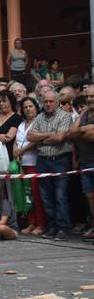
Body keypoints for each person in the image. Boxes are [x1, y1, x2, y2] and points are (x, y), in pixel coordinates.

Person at [27, 90, 73, 241]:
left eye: (51, 101)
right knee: (46, 197)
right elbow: (30, 136)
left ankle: (63, 228)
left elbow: (60, 137)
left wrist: (41, 137)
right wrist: (49, 135)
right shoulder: (39, 117)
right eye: (45, 101)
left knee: (60, 196)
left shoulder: (65, 116)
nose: (48, 104)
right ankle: (52, 226)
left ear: (57, 101)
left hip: (60, 159)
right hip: (43, 160)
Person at [14, 97, 45, 235]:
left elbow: (36, 141)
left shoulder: (39, 122)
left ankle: (41, 224)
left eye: (30, 106)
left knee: (36, 195)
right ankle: (31, 222)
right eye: (25, 107)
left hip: (34, 163)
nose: (28, 109)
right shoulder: (21, 124)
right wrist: (15, 150)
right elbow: (16, 140)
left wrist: (22, 150)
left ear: (36, 107)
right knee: (27, 195)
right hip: (22, 164)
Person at [67, 85, 94, 240]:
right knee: (89, 197)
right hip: (85, 162)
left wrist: (80, 132)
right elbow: (71, 133)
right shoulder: (84, 114)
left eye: (92, 96)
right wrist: (84, 127)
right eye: (88, 97)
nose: (90, 99)